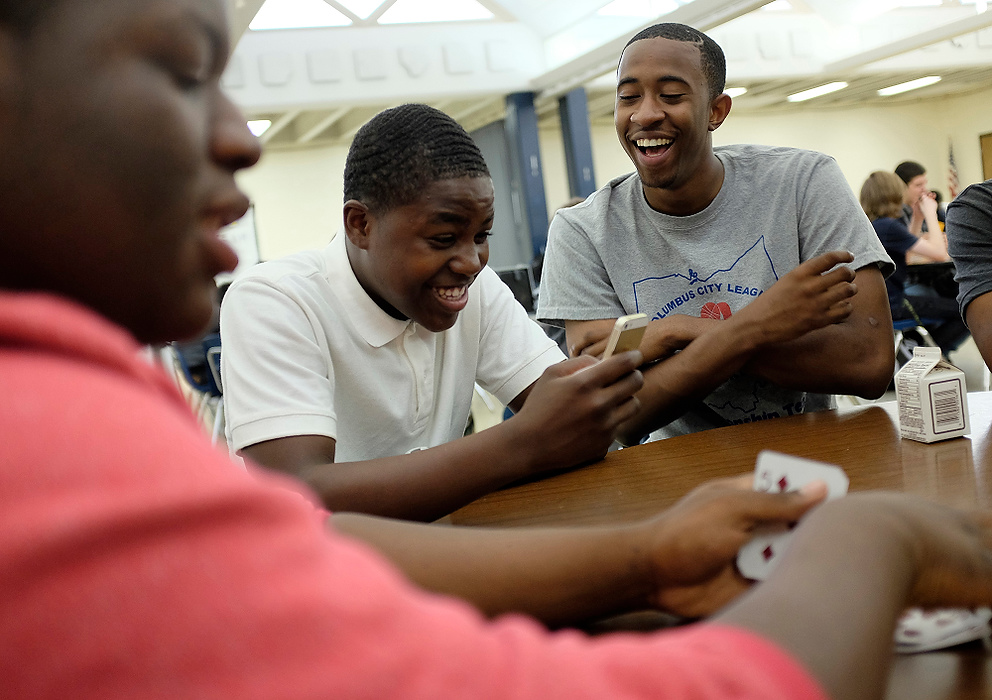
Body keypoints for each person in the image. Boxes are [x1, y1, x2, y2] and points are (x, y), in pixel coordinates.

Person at [2, 1, 992, 698]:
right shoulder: (56, 439)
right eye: (180, 71)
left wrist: (644, 551)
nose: (240, 138)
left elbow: (294, 536)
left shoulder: (99, 387)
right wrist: (875, 537)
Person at [220, 104, 642, 522]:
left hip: (445, 545)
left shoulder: (471, 289)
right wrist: (523, 441)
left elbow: (574, 424)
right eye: (443, 238)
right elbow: (296, 495)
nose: (472, 261)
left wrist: (581, 410)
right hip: (322, 576)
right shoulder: (274, 299)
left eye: (481, 235)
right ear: (360, 225)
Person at [537, 23, 895, 444]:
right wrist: (755, 324)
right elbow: (616, 416)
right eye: (628, 97)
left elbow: (868, 365)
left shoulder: (804, 182)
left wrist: (668, 337)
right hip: (668, 483)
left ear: (716, 111)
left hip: (812, 460)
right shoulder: (581, 231)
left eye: (671, 95)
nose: (645, 113)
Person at [860, 171, 969, 356]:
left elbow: (907, 253)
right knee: (965, 308)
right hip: (895, 305)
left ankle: (924, 349)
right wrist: (931, 213)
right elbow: (940, 254)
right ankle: (930, 354)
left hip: (883, 303)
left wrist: (918, 217)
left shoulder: (877, 224)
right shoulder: (888, 226)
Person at [947, 178, 992, 367]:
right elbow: (936, 251)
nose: (924, 190)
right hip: (901, 300)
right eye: (918, 185)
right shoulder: (977, 204)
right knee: (954, 309)